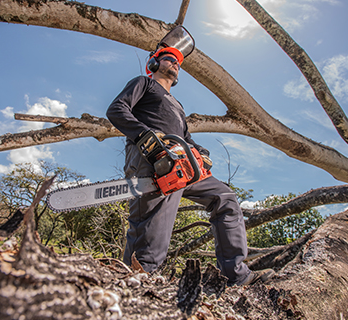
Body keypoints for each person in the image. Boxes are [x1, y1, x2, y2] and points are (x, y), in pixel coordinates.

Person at [106, 46, 272, 286]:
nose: (175, 63)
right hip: (150, 158)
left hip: (181, 161)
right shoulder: (144, 83)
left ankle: (236, 275)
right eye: (168, 59)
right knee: (152, 225)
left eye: (177, 62)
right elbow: (116, 109)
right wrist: (146, 136)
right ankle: (139, 281)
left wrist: (201, 153)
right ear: (154, 64)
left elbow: (185, 137)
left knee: (225, 198)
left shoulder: (177, 105)